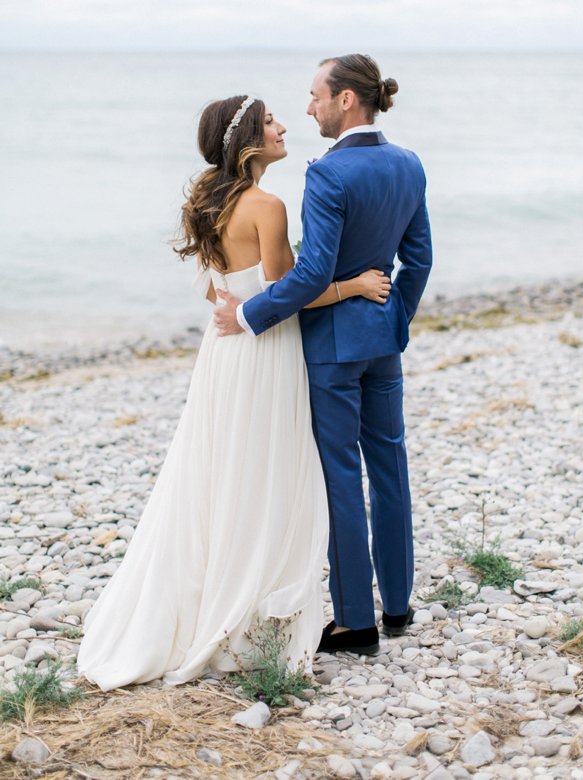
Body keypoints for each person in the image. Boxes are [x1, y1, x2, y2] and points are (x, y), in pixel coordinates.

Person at [77, 96, 391, 690]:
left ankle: (213, 598)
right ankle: (247, 613)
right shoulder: (266, 206)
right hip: (266, 352)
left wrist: (239, 305)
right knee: (266, 474)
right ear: (247, 137)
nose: (282, 126)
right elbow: (294, 293)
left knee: (219, 471)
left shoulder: (206, 201)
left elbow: (214, 292)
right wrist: (353, 285)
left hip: (221, 352)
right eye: (270, 121)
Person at [212, 55, 432, 657]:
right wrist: (395, 319)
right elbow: (419, 260)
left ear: (346, 100)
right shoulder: (408, 163)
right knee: (390, 467)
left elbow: (311, 274)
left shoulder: (329, 174)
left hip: (333, 347)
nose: (308, 109)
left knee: (340, 474)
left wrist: (249, 314)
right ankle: (398, 606)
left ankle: (356, 622)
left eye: (315, 96)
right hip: (382, 339)